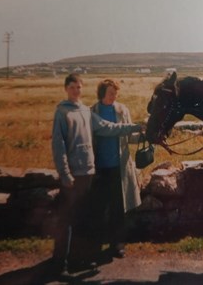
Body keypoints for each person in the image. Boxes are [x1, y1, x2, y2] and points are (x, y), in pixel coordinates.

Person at [50, 73, 141, 274]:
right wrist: (65, 173)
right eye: (72, 87)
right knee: (78, 216)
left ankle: (87, 256)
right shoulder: (72, 112)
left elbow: (116, 130)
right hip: (84, 172)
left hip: (102, 171)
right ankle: (64, 262)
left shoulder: (91, 111)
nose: (76, 91)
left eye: (79, 87)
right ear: (66, 89)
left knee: (100, 213)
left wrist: (140, 130)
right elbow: (59, 145)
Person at [90, 79, 141, 259]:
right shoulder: (92, 112)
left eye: (115, 93)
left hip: (119, 168)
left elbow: (129, 137)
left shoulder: (122, 110)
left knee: (119, 209)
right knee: (99, 208)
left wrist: (145, 134)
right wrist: (136, 127)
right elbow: (111, 130)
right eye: (111, 93)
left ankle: (117, 245)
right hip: (100, 168)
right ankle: (95, 245)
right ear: (102, 93)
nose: (114, 96)